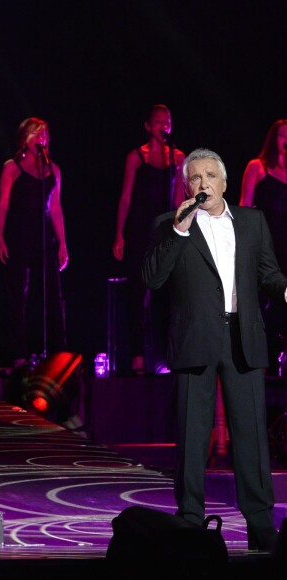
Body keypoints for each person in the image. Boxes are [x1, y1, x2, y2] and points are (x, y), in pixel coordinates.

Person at [142, 147, 285, 552]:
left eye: (209, 176)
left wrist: (285, 288)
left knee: (251, 434)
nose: (202, 183)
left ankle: (260, 523)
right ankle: (189, 520)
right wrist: (180, 229)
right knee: (193, 433)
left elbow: (268, 273)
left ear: (225, 183)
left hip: (243, 336)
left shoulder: (253, 222)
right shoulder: (170, 226)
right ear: (185, 186)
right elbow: (152, 279)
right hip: (195, 338)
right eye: (193, 178)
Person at [112, 104, 185, 375]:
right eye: (157, 121)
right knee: (138, 294)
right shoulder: (136, 157)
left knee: (168, 295)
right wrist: (119, 233)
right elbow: (126, 197)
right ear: (147, 126)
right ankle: (138, 357)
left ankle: (168, 357)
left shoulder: (178, 158)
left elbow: (179, 200)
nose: (163, 126)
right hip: (140, 232)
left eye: (167, 121)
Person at [0, 117, 68, 371]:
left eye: (45, 134)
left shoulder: (52, 169)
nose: (42, 138)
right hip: (18, 235)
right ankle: (18, 353)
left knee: (52, 294)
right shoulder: (12, 167)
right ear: (25, 138)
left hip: (44, 237)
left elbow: (56, 208)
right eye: (37, 134)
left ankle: (57, 350)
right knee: (19, 294)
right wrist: (0, 237)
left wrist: (62, 244)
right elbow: (3, 203)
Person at [240, 119, 287, 376]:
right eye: (282, 135)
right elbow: (245, 205)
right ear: (273, 139)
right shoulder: (258, 167)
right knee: (262, 299)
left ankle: (278, 357)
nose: (286, 140)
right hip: (265, 243)